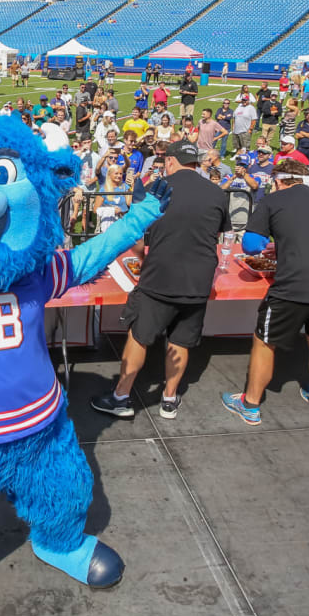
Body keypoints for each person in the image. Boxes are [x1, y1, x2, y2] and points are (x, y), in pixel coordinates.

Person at [92, 141, 230, 420]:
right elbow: (221, 238)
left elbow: (137, 236)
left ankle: (121, 397)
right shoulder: (217, 193)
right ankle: (169, 398)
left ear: (169, 162)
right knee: (180, 340)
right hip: (199, 279)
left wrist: (142, 259)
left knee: (139, 337)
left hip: (160, 276)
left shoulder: (156, 189)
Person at [222, 161, 309, 425]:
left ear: (279, 181)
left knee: (265, 341)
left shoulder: (274, 199)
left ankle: (250, 404)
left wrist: (274, 241)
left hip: (296, 284)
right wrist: (283, 243)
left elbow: (250, 245)